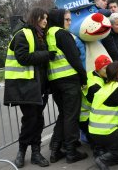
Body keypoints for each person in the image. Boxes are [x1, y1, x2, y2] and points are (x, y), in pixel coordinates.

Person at [4, 7, 51, 168]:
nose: (45, 21)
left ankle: (36, 153)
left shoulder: (40, 34)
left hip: (38, 86)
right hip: (25, 86)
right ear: (35, 19)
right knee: (30, 120)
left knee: (38, 120)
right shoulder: (23, 34)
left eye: (46, 18)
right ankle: (22, 152)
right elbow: (23, 58)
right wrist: (47, 55)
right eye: (42, 18)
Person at [46, 9, 88, 164]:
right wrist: (83, 77)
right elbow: (74, 59)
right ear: (59, 19)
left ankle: (55, 150)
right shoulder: (63, 34)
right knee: (71, 116)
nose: (70, 22)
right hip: (69, 80)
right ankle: (71, 152)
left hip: (55, 81)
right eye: (67, 19)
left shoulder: (48, 33)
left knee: (64, 114)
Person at [79, 54, 111, 156]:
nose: (108, 70)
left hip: (90, 116)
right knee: (101, 142)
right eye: (105, 68)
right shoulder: (94, 85)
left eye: (109, 68)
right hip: (87, 118)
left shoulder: (95, 75)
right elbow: (104, 104)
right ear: (98, 69)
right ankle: (99, 151)